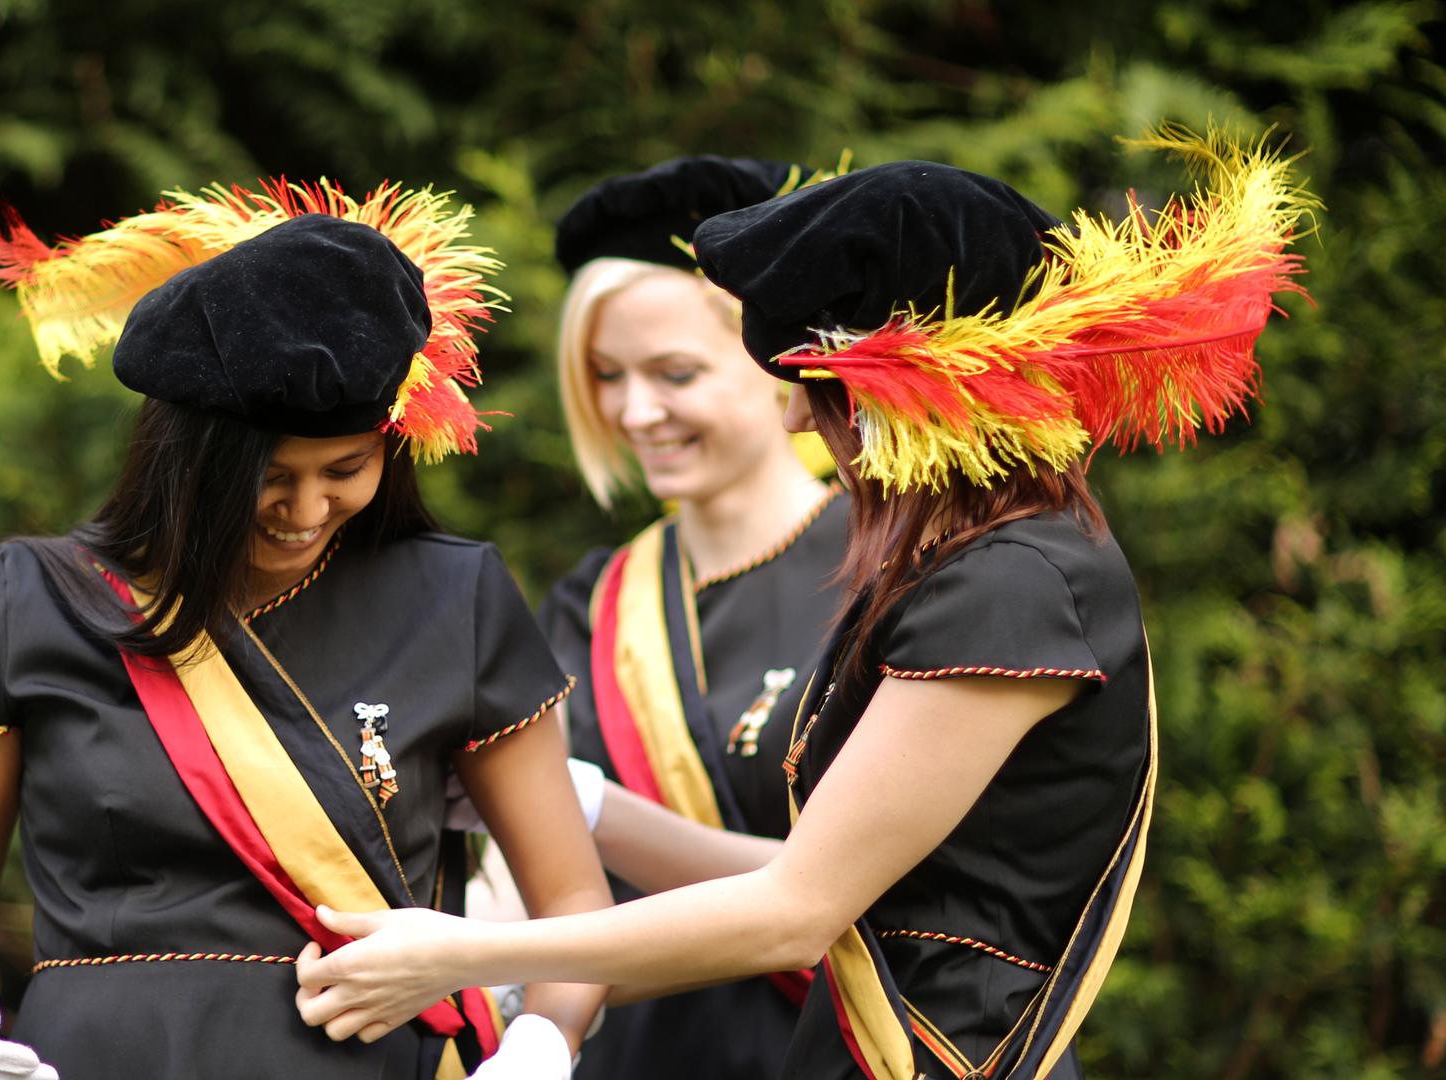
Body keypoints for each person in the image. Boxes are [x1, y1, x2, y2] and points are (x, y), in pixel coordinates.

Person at [289, 129, 1313, 1079]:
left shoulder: (1015, 585)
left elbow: (795, 910)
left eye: (814, 387)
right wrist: (540, 993)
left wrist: (470, 957)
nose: (791, 415)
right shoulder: (990, 569)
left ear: (904, 391)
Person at [0, 181, 612, 1080]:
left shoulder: (453, 595)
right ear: (186, 463)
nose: (306, 510)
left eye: (345, 469)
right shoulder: (31, 597)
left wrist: (546, 1041)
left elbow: (574, 900)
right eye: (269, 478)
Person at [532, 155, 850, 1079]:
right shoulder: (587, 606)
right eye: (605, 374)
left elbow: (878, 900)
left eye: (674, 372)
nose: (636, 412)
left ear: (777, 361)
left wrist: (592, 809)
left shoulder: (894, 569)